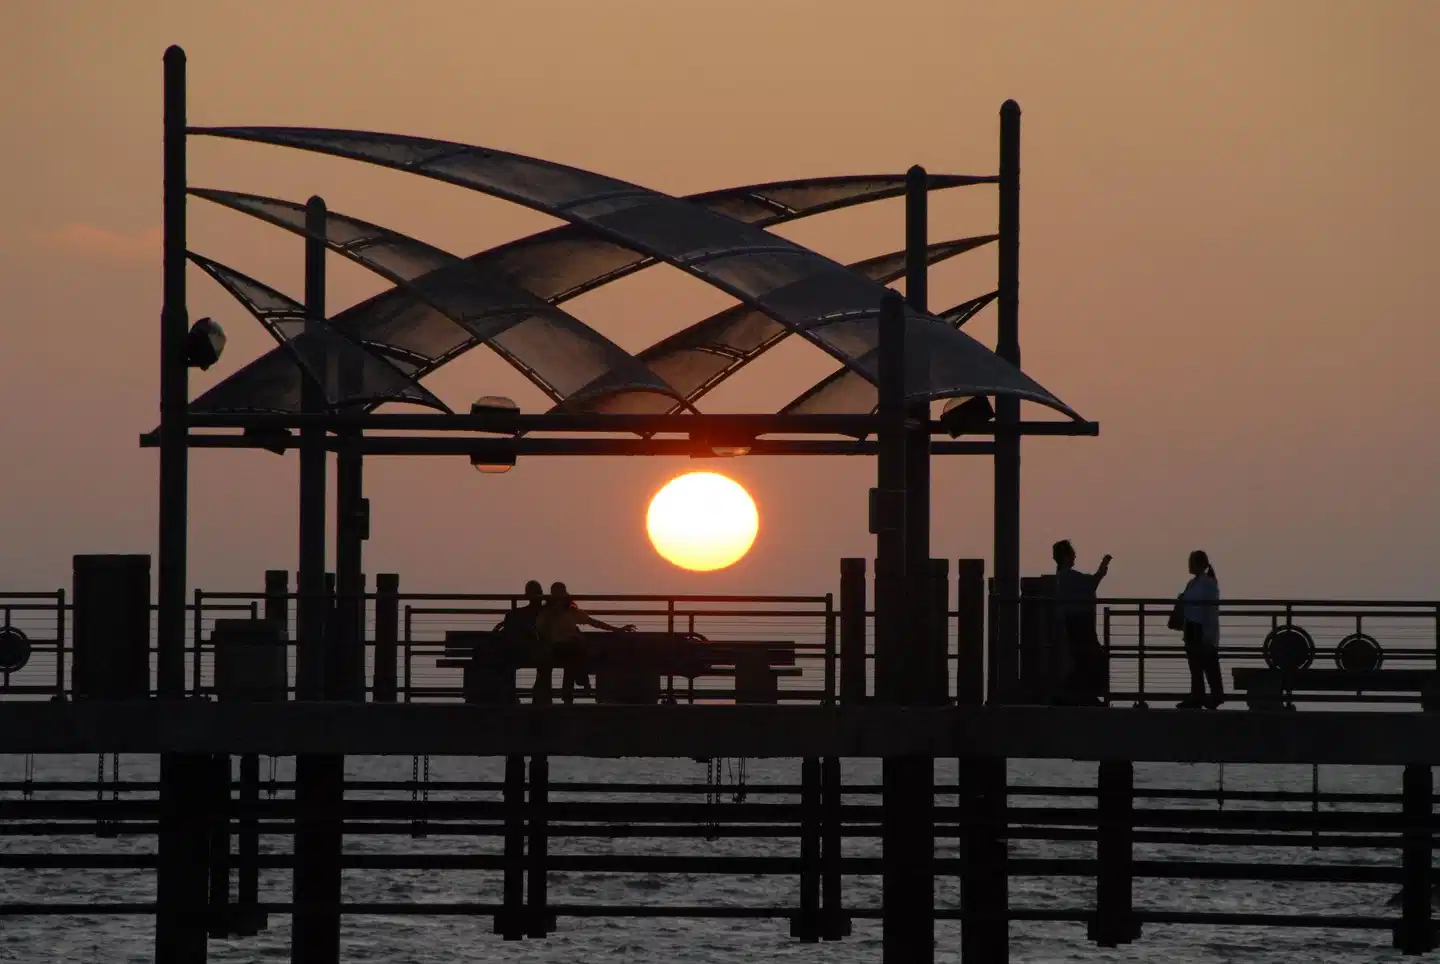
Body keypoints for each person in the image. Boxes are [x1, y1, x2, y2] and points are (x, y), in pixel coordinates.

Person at [536, 582, 636, 704]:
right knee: (575, 657)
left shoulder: (571, 611)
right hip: (559, 646)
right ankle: (579, 684)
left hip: (571, 646)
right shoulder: (548, 612)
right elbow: (540, 629)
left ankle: (570, 692)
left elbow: (593, 622)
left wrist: (617, 629)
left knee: (571, 661)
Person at [1052, 540, 1112, 706]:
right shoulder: (1068, 576)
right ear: (1065, 556)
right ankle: (1085, 696)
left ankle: (1077, 695)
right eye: (1072, 553)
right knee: (1090, 658)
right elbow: (1092, 583)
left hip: (1073, 623)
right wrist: (1103, 568)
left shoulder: (1061, 578)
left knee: (1081, 660)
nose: (1074, 556)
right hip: (1080, 623)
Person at [1176, 550, 1223, 709]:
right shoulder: (1193, 583)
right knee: (1196, 665)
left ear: (1200, 564)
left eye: (1192, 562)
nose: (1189, 565)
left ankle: (1214, 696)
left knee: (1207, 664)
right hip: (1191, 627)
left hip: (1201, 628)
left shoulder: (1208, 583)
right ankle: (1198, 696)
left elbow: (1209, 609)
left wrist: (1208, 633)